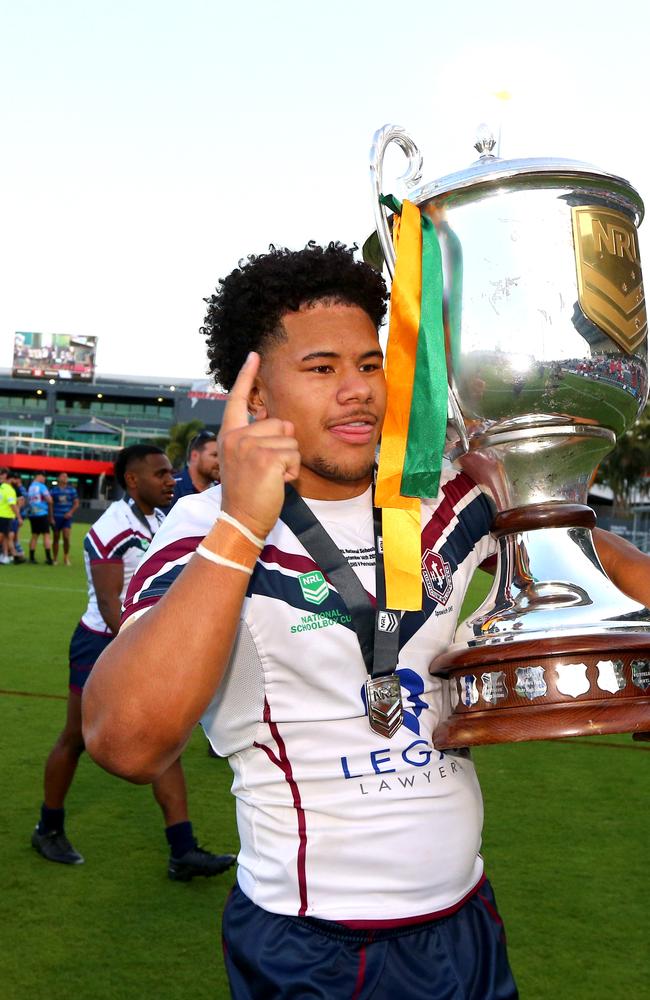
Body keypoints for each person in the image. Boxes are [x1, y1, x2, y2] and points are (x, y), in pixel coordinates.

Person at [82, 244, 650, 998]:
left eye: (370, 365)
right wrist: (242, 528)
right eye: (321, 370)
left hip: (465, 920)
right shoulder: (203, 525)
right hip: (315, 945)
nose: (357, 392)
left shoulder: (440, 499)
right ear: (256, 393)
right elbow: (126, 741)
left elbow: (590, 552)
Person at [32, 444, 235, 882]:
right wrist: (143, 655)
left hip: (142, 641)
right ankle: (48, 826)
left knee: (165, 742)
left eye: (170, 473)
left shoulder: (164, 519)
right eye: (161, 474)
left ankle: (182, 849)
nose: (170, 481)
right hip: (101, 644)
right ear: (132, 481)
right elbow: (110, 605)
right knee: (75, 739)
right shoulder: (110, 528)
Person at [169, 429, 220, 507]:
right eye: (215, 455)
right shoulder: (170, 487)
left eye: (222, 456)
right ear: (195, 455)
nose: (220, 461)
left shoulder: (222, 490)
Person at [50, 471, 80, 565]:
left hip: (66, 518)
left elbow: (76, 503)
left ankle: (66, 556)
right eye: (63, 476)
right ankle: (55, 558)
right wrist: (51, 517)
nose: (65, 478)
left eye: (66, 477)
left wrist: (70, 512)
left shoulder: (72, 490)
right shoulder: (53, 490)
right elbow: (50, 505)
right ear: (59, 478)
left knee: (66, 537)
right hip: (56, 517)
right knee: (56, 537)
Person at [26, 472, 53, 564]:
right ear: (39, 476)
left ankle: (32, 558)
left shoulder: (30, 487)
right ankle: (48, 558)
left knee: (34, 535)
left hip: (32, 514)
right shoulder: (41, 486)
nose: (44, 479)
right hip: (42, 513)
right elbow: (49, 499)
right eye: (44, 477)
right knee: (46, 535)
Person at [0, 467, 20, 564]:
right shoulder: (10, 490)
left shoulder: (1, 487)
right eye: (14, 479)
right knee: (2, 536)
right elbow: (12, 505)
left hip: (3, 515)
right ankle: (5, 556)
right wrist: (19, 517)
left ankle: (5, 556)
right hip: (5, 515)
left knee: (5, 537)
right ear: (11, 479)